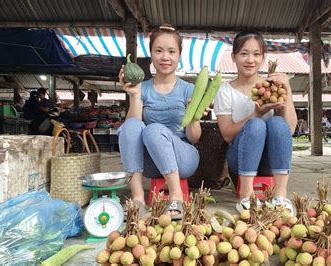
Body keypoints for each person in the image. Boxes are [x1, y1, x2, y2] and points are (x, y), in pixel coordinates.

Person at [117, 24, 203, 220]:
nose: (165, 57)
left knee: (154, 130)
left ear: (179, 56)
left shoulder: (188, 90)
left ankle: (176, 196)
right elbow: (133, 132)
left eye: (171, 51)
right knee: (129, 126)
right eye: (159, 50)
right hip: (151, 161)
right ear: (151, 55)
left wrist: (194, 118)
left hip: (184, 158)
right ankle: (138, 197)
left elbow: (194, 138)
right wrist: (135, 95)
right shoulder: (142, 87)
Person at [213, 31, 297, 214]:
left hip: (269, 160)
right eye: (243, 53)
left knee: (276, 123)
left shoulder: (273, 87)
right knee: (256, 125)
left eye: (256, 54)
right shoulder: (225, 91)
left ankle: (281, 195)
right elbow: (227, 135)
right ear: (233, 57)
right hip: (240, 158)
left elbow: (288, 129)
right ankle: (246, 194)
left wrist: (287, 89)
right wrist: (256, 114)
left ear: (263, 58)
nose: (250, 59)